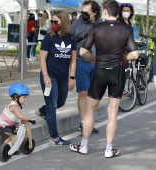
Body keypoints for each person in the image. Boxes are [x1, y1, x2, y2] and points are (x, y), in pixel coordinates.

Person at [69, 0, 139, 158]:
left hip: (100, 71)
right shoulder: (125, 29)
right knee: (112, 111)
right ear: (118, 13)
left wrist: (94, 59)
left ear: (105, 12)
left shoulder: (97, 28)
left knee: (90, 110)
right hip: (117, 71)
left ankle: (84, 145)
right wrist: (121, 57)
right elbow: (135, 54)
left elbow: (82, 51)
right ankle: (109, 149)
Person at [35, 11, 77, 146]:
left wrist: (72, 78)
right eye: (52, 22)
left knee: (61, 102)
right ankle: (54, 137)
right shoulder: (49, 37)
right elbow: (42, 58)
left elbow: (73, 60)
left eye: (55, 22)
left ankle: (42, 111)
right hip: (50, 75)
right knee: (52, 105)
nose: (53, 24)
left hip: (64, 77)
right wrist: (46, 76)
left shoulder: (71, 38)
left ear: (63, 23)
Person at [71, 0, 102, 134]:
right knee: (83, 92)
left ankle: (90, 121)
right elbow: (71, 42)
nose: (82, 14)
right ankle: (83, 122)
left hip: (98, 63)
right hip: (81, 62)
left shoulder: (101, 24)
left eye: (85, 12)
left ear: (94, 13)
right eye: (81, 12)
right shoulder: (76, 23)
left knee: (94, 95)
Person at [117, 3, 135, 69]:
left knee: (129, 68)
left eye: (128, 11)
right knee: (123, 67)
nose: (126, 12)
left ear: (130, 12)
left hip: (128, 48)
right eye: (124, 10)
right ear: (121, 12)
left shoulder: (129, 23)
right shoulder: (119, 21)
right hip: (121, 48)